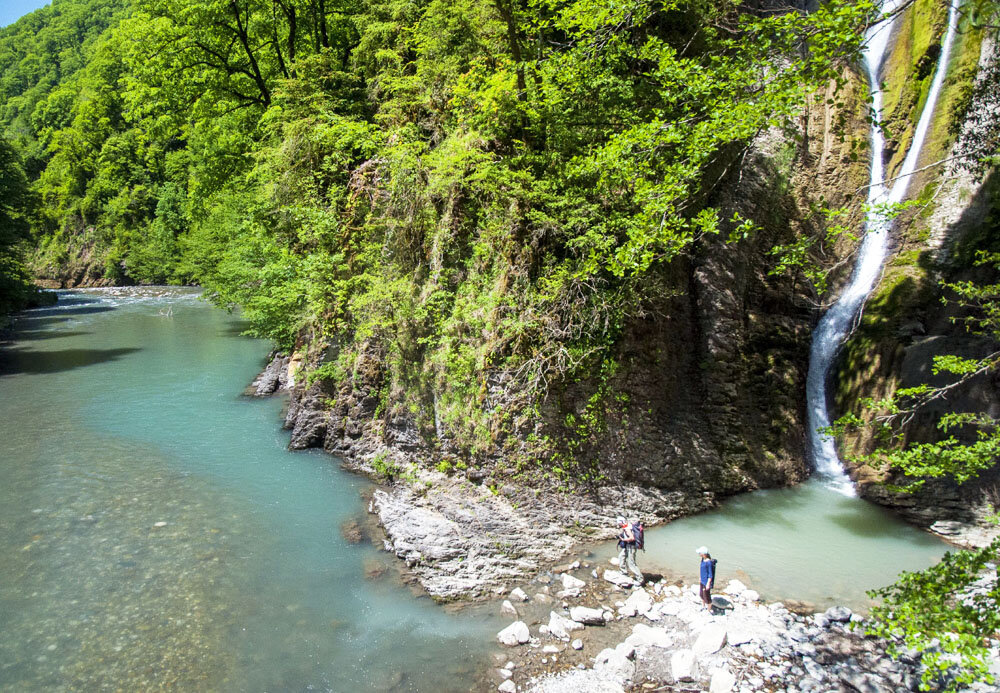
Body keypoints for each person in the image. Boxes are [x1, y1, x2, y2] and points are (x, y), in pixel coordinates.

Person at [617, 516, 644, 585]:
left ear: (621, 522)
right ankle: (623, 572)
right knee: (621, 556)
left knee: (631, 563)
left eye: (618, 523)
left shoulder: (627, 528)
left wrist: (623, 540)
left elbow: (632, 538)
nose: (618, 524)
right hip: (627, 546)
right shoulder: (627, 525)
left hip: (632, 546)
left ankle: (640, 579)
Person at [697, 546, 716, 611]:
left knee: (707, 597)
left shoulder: (709, 562)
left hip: (706, 582)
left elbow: (710, 575)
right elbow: (702, 570)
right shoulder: (703, 559)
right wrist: (700, 577)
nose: (699, 554)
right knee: (701, 594)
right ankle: (703, 606)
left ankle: (708, 610)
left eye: (700, 553)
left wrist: (708, 584)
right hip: (702, 580)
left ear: (704, 554)